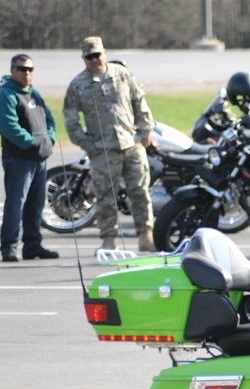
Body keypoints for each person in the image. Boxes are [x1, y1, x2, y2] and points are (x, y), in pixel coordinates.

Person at [63, 36, 156, 253]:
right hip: (102, 150)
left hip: (131, 144)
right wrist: (86, 144)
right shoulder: (78, 85)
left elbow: (139, 103)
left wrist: (145, 131)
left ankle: (146, 236)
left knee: (140, 192)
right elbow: (70, 119)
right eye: (90, 57)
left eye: (97, 55)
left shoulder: (122, 74)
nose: (95, 60)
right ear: (84, 59)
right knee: (105, 197)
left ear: (105, 53)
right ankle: (109, 240)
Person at [0, 54, 58, 262]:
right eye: (21, 69)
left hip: (39, 158)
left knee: (36, 204)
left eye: (29, 69)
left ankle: (32, 245)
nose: (26, 73)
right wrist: (32, 143)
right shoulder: (5, 95)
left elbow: (49, 120)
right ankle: (9, 247)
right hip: (19, 158)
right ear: (12, 70)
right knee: (16, 203)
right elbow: (9, 127)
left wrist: (49, 139)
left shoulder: (34, 94)